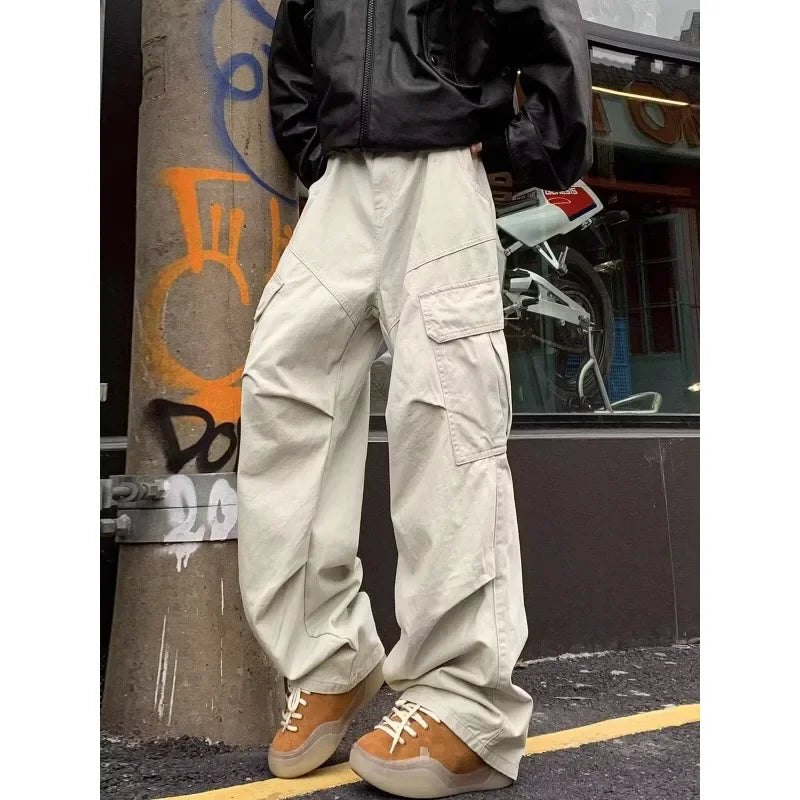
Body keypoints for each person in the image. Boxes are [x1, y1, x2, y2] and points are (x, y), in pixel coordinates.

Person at [237, 1, 592, 797]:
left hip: (440, 166)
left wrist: (521, 142)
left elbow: (547, 28)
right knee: (281, 389)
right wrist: (317, 153)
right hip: (341, 182)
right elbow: (295, 54)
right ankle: (329, 656)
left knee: (445, 413)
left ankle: (468, 705)